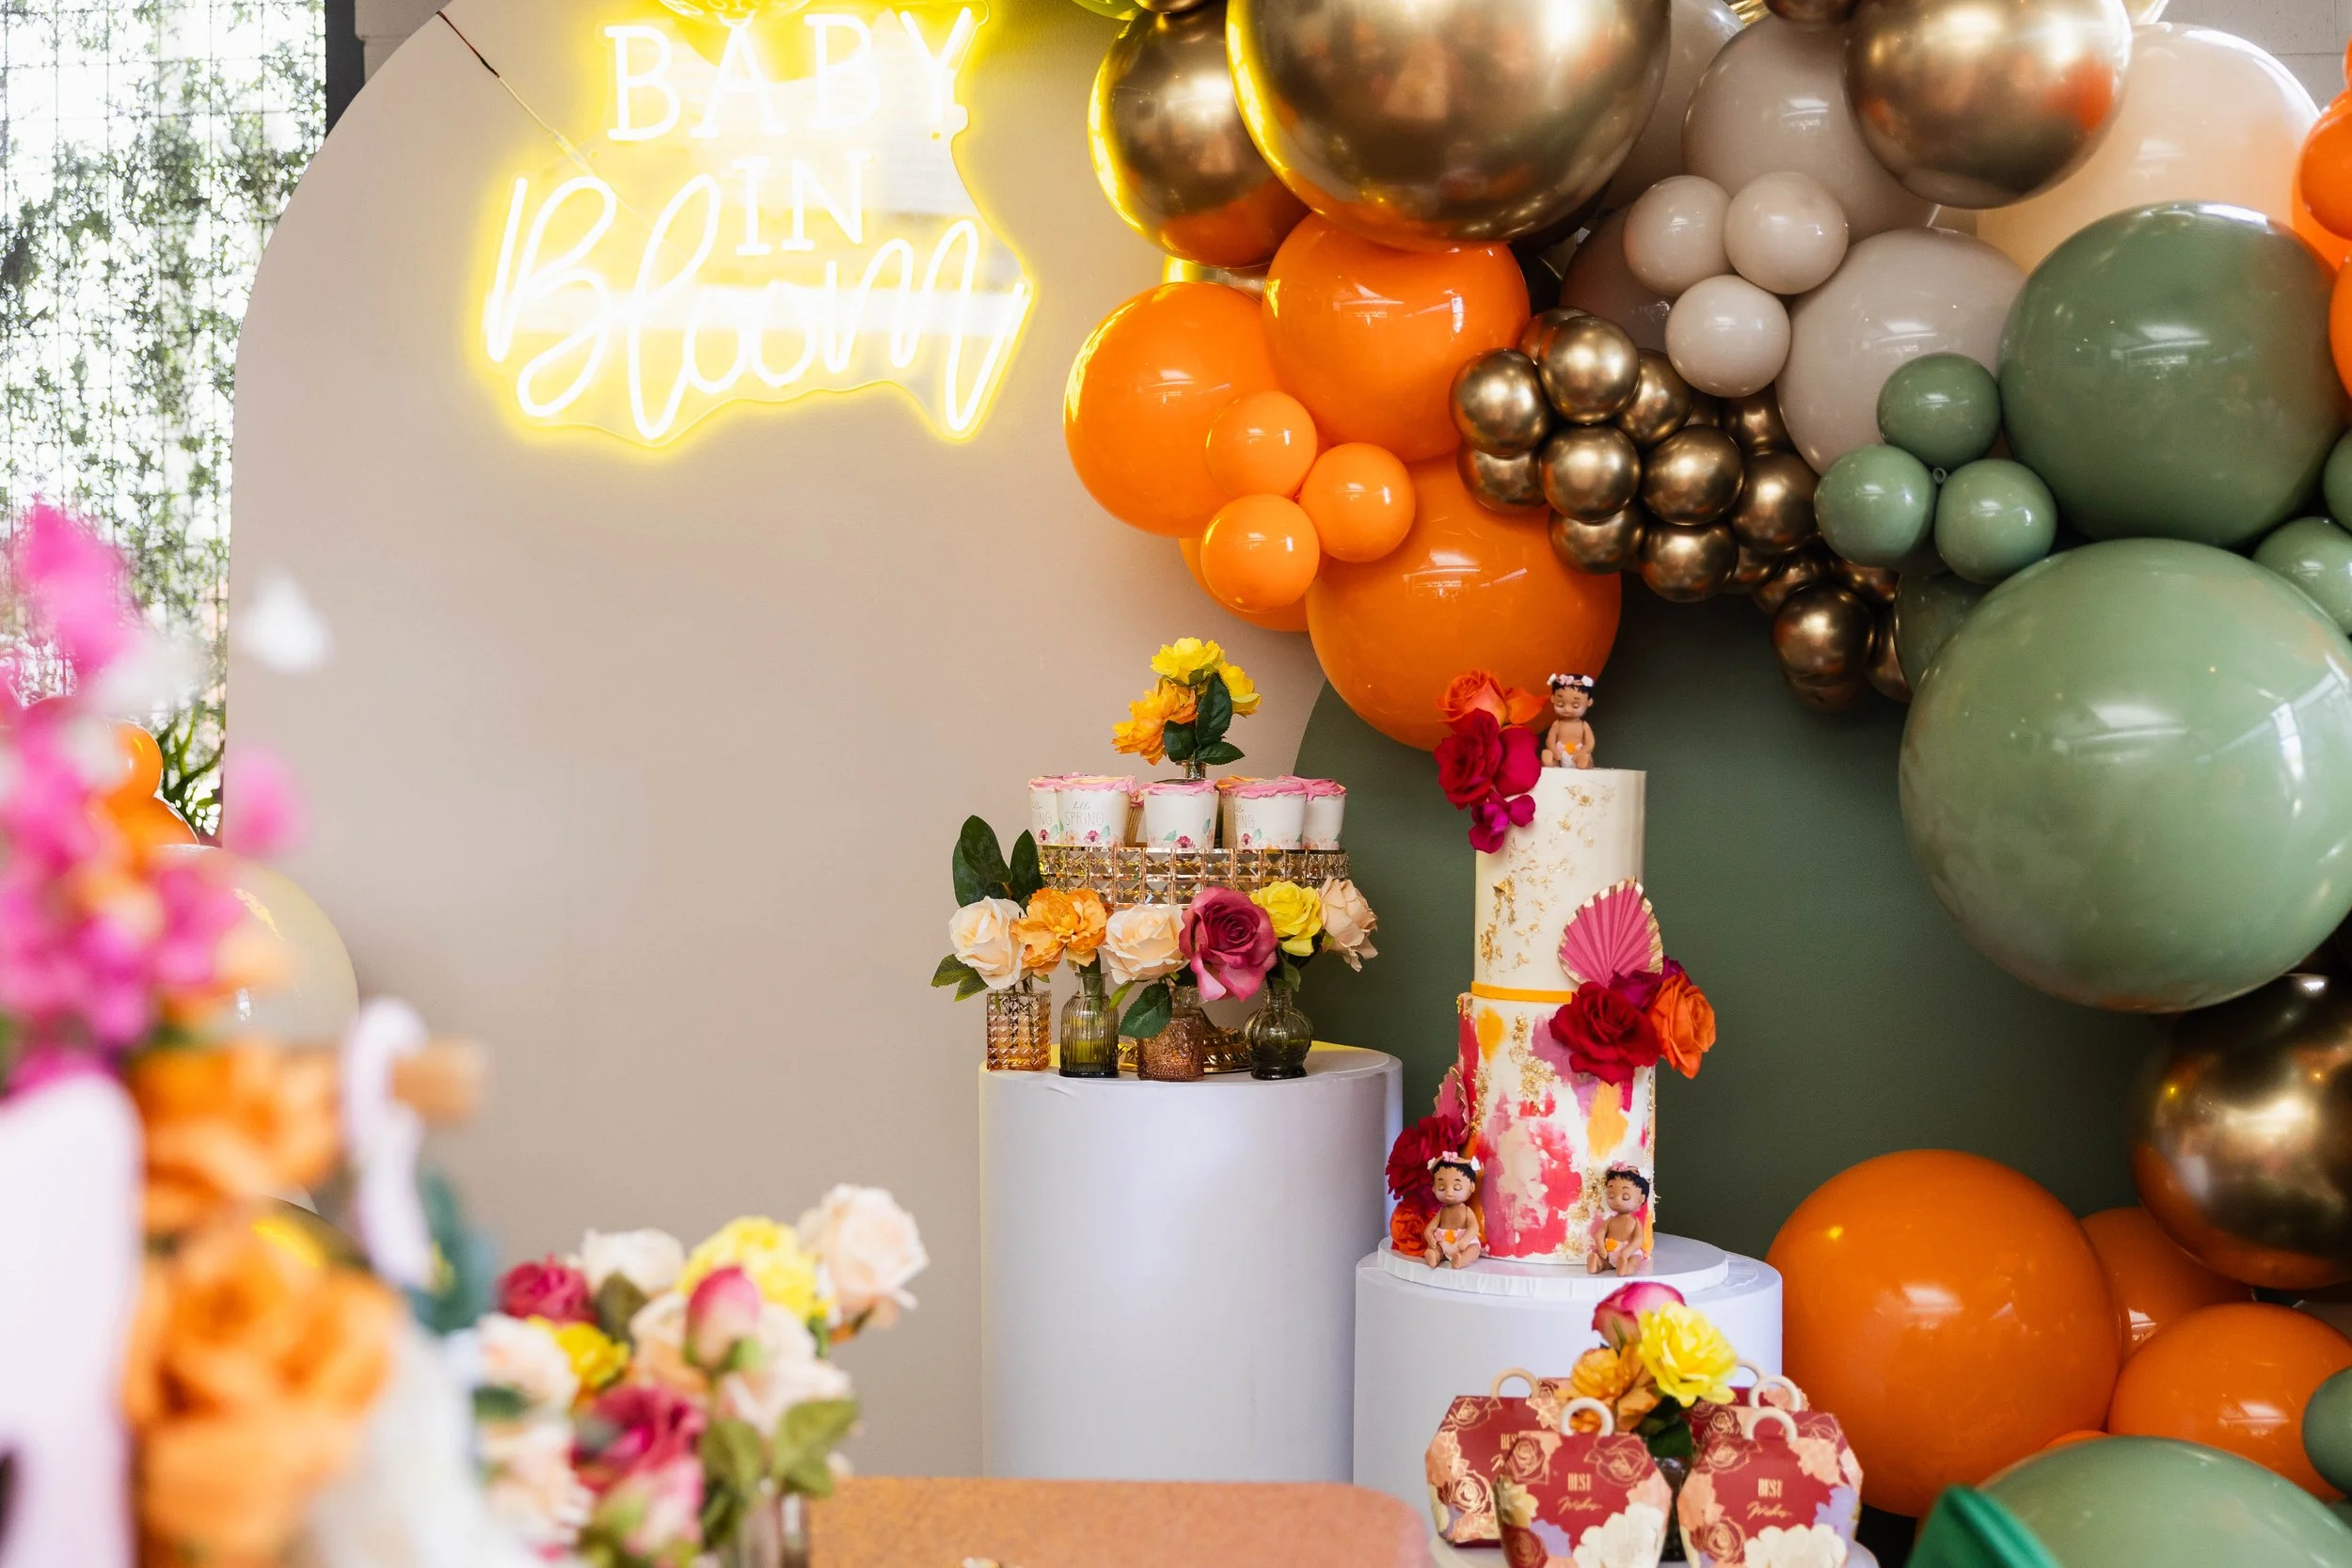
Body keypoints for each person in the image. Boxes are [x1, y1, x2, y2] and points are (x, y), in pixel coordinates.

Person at [1422, 1154, 1486, 1269]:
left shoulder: (1466, 1211)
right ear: (1434, 1188)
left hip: (1462, 1242)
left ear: (1471, 1187)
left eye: (1456, 1187)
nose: (1449, 1192)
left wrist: (1465, 1240)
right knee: (1437, 1249)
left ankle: (1461, 1260)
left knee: (1474, 1249)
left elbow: (1473, 1227)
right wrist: (1429, 1237)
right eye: (1442, 1188)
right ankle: (1434, 1256)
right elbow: (1430, 1229)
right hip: (1444, 1241)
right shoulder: (1442, 1211)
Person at [1589, 1165, 1652, 1276]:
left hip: (1628, 1253)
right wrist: (1601, 1249)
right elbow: (1600, 1234)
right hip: (1610, 1250)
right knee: (1605, 1261)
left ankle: (1625, 1268)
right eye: (1611, 1195)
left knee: (1635, 1260)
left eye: (1625, 1196)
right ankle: (1597, 1263)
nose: (1617, 1199)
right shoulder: (1610, 1220)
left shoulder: (1635, 1222)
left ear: (1641, 1199)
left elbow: (1638, 1239)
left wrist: (1627, 1252)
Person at [1542, 674, 1597, 769]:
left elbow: (1590, 742)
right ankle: (1549, 761)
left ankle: (1583, 762)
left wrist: (1582, 752)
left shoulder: (1584, 725)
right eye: (1560, 704)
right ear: (1553, 699)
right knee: (1553, 760)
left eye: (1575, 705)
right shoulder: (1557, 724)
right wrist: (1554, 750)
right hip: (1560, 753)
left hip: (1578, 754)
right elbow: (1550, 740)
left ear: (1588, 702)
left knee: (1586, 760)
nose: (1567, 709)